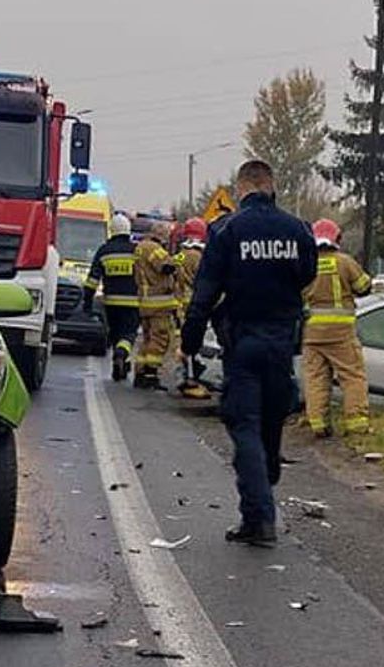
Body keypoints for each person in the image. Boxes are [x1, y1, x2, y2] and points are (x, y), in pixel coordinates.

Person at [180, 160, 317, 547]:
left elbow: (204, 293)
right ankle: (267, 473)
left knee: (244, 425)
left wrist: (190, 340)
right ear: (271, 187)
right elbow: (306, 274)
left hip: (242, 343)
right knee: (271, 421)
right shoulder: (297, 230)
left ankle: (259, 519)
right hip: (282, 343)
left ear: (240, 189)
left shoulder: (227, 231)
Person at [302, 218, 373, 437]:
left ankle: (318, 424)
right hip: (341, 334)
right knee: (352, 376)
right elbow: (364, 286)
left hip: (312, 334)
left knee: (315, 379)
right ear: (336, 238)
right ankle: (357, 424)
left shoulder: (305, 263)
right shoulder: (344, 262)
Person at [83, 213, 141, 381]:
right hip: (133, 303)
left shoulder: (104, 251)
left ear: (112, 230)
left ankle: (118, 361)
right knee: (129, 333)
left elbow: (92, 280)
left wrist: (87, 302)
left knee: (116, 334)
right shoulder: (136, 250)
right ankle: (121, 355)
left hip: (111, 303)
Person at [133, 220, 179, 389]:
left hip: (146, 302)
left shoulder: (140, 247)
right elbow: (166, 266)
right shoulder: (153, 248)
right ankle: (151, 374)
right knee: (160, 339)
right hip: (159, 303)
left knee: (147, 340)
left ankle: (140, 372)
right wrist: (179, 260)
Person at [174, 217, 210, 399]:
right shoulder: (198, 258)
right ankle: (188, 381)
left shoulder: (179, 256)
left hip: (177, 304)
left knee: (181, 342)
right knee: (190, 344)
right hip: (192, 305)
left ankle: (185, 376)